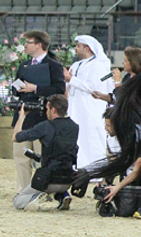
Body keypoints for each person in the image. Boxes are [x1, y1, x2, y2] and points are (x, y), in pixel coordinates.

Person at [11, 30, 66, 194]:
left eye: (29, 42)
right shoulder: (24, 65)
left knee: (42, 157)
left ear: (39, 45)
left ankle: (42, 189)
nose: (25, 46)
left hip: (43, 116)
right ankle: (24, 190)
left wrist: (35, 88)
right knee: (20, 156)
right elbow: (14, 87)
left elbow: (59, 89)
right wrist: (18, 88)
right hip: (24, 114)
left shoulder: (53, 66)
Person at [12, 94, 78, 210]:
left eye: (47, 109)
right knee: (59, 162)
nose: (45, 112)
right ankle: (63, 195)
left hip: (47, 180)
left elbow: (16, 137)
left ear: (53, 110)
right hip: (68, 179)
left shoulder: (46, 126)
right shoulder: (74, 126)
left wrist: (22, 116)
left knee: (18, 202)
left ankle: (38, 197)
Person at [64, 35, 114, 169]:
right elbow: (70, 85)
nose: (75, 49)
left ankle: (96, 171)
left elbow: (94, 88)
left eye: (78, 46)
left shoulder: (98, 66)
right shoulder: (76, 65)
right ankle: (78, 169)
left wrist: (72, 80)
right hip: (75, 109)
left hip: (91, 110)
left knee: (92, 139)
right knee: (76, 139)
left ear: (87, 48)